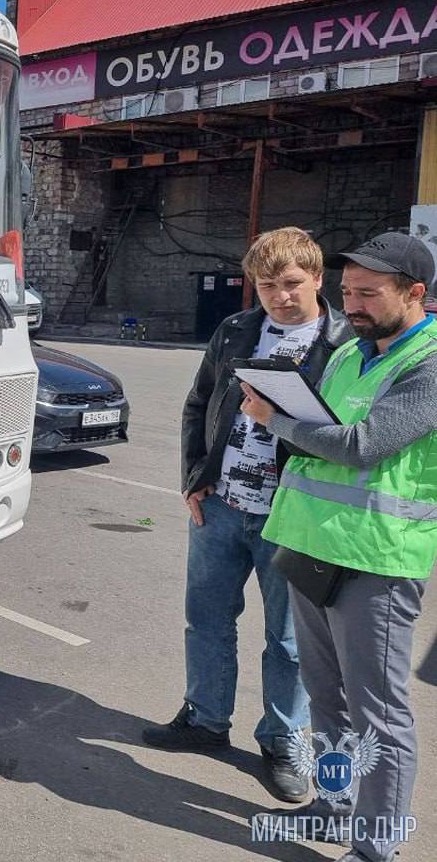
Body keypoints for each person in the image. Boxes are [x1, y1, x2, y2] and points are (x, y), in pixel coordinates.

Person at [245, 231, 437, 862]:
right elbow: (322, 432)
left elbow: (360, 446)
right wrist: (297, 422)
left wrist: (279, 420)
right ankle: (334, 807)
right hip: (310, 543)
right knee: (327, 700)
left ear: (415, 294)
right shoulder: (352, 351)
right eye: (347, 291)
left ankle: (376, 846)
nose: (351, 305)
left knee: (378, 715)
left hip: (375, 560)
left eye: (368, 294)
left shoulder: (428, 362)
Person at [143, 227, 353, 804]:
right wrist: (194, 478)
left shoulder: (345, 345)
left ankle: (283, 742)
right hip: (221, 508)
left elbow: (347, 437)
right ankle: (206, 719)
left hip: (294, 515)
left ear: (317, 278)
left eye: (291, 284)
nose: (280, 297)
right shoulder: (236, 331)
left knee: (289, 641)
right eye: (267, 286)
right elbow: (197, 404)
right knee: (206, 619)